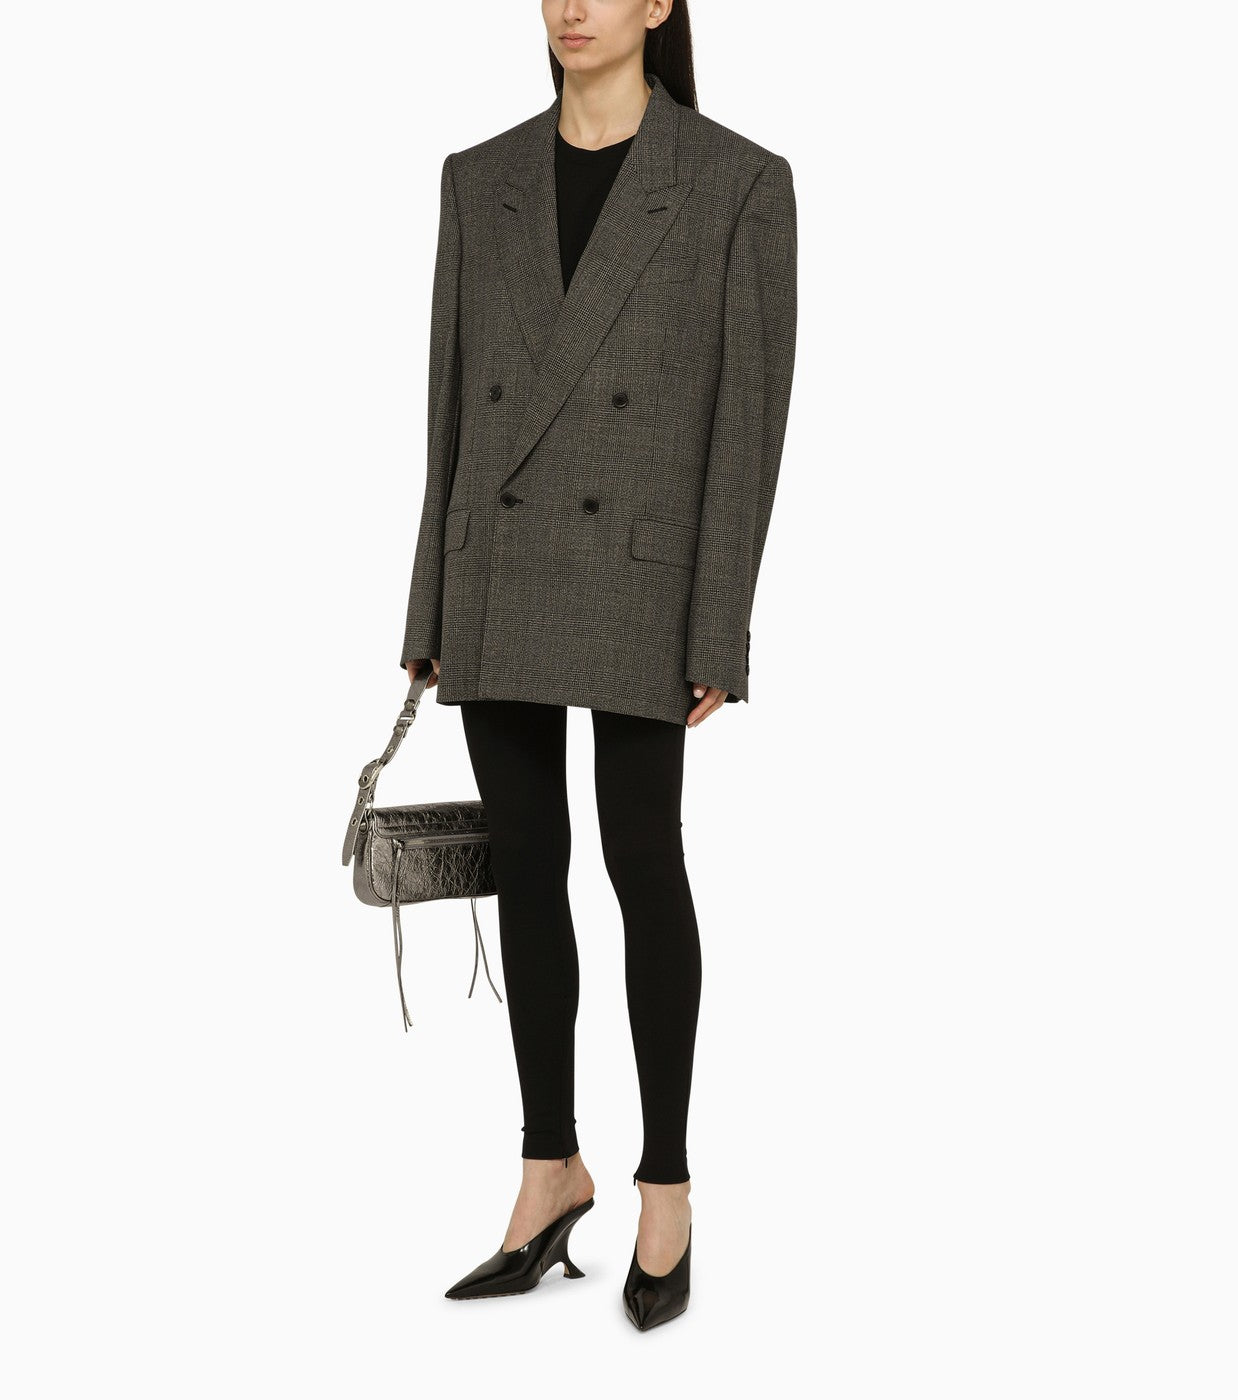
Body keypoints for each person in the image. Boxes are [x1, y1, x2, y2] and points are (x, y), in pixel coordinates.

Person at [398, 0, 797, 1331]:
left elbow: (748, 425)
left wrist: (719, 624)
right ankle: (547, 1167)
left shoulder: (737, 183)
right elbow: (448, 407)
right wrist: (429, 600)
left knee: (642, 862)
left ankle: (665, 1182)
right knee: (526, 867)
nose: (571, 5)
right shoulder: (479, 178)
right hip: (500, 563)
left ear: (660, 4)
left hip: (640, 571)